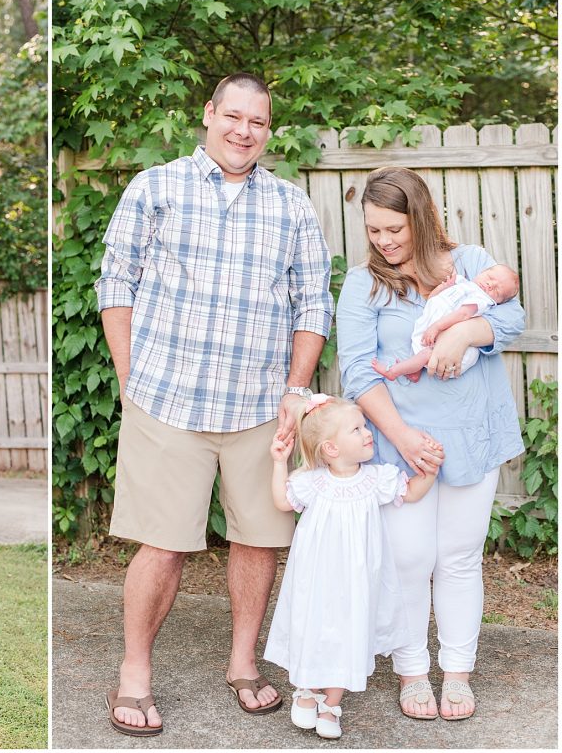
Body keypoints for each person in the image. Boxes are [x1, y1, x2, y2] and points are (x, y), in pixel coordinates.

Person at [96, 72, 334, 736]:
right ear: (209, 115)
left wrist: (295, 391)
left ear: (268, 130)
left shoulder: (292, 207)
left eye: (257, 122)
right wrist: (127, 375)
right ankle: (135, 674)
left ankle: (242, 663)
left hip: (260, 405)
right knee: (163, 546)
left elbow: (314, 302)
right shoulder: (157, 188)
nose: (244, 131)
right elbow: (116, 282)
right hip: (167, 399)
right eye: (233, 116)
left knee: (258, 541)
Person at [336, 166, 525, 721]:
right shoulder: (361, 283)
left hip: (471, 434)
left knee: (461, 558)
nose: (385, 241)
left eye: (395, 228)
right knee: (410, 560)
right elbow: (357, 371)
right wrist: (401, 437)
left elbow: (512, 316)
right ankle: (413, 670)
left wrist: (467, 331)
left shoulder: (469, 263)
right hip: (400, 446)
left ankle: (458, 673)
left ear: (421, 217)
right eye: (373, 230)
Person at [264, 394, 438, 739]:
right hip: (318, 576)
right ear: (331, 448)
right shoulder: (313, 481)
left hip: (358, 578)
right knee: (315, 625)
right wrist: (279, 463)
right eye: (357, 429)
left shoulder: (376, 479)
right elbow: (283, 501)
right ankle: (307, 688)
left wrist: (429, 471)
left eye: (364, 426)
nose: (367, 432)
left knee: (349, 630)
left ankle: (332, 701)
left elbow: (413, 492)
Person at [371, 263, 520, 382]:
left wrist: (437, 326)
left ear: (498, 302)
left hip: (453, 348)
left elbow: (462, 314)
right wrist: (443, 287)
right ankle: (415, 371)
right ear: (482, 272)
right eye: (489, 277)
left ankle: (394, 371)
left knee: (427, 353)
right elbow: (434, 299)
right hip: (437, 325)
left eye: (496, 290)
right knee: (422, 348)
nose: (489, 284)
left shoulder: (482, 300)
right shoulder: (464, 283)